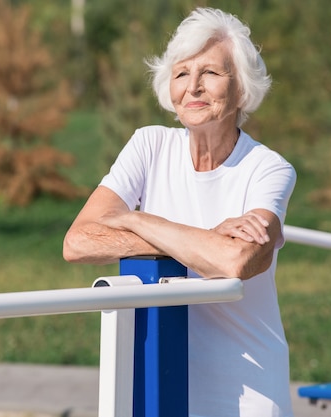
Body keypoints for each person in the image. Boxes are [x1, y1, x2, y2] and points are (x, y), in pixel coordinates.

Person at [63, 7, 296, 417]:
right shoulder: (148, 145)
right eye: (181, 73)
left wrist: (137, 218)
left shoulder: (268, 169)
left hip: (246, 386)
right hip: (158, 373)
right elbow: (78, 241)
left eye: (210, 73)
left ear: (241, 89)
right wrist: (208, 234)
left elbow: (236, 259)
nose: (194, 88)